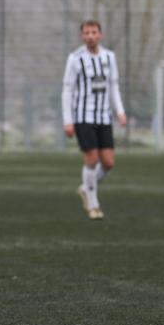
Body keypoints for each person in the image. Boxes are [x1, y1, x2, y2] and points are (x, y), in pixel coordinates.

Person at [61, 20, 126, 220]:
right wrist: (68, 120)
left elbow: (113, 85)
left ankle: (86, 188)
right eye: (86, 33)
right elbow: (67, 90)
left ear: (100, 35)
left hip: (103, 116)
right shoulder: (75, 58)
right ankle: (93, 203)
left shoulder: (109, 57)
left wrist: (120, 111)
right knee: (91, 159)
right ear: (82, 36)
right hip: (83, 116)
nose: (90, 36)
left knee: (108, 162)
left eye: (94, 32)